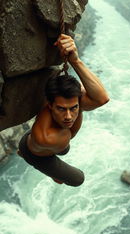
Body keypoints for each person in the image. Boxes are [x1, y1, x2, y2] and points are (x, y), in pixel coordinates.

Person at [18, 34, 109, 187]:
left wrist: (75, 60)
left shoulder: (64, 100)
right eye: (61, 109)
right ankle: (29, 159)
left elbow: (103, 99)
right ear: (50, 105)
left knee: (64, 149)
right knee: (77, 179)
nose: (68, 116)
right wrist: (80, 106)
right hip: (35, 152)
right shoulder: (46, 137)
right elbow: (70, 132)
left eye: (73, 108)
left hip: (52, 142)